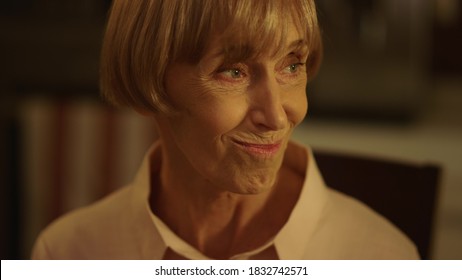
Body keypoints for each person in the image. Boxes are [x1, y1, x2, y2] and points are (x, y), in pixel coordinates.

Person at [32, 0, 419, 259]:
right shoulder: (69, 252)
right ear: (148, 82)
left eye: (292, 64)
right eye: (233, 71)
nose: (278, 117)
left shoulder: (381, 256)